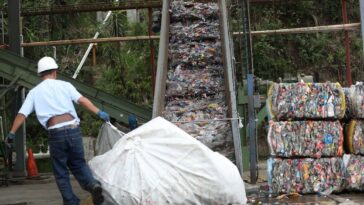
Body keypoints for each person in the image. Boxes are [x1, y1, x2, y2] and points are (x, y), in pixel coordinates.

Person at [4, 56, 109, 205]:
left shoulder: (34, 92)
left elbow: (22, 114)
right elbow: (83, 100)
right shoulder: (66, 85)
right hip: (73, 129)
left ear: (40, 74)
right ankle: (92, 185)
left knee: (61, 172)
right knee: (78, 164)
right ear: (55, 72)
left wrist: (11, 133)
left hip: (56, 133)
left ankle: (71, 202)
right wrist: (99, 113)